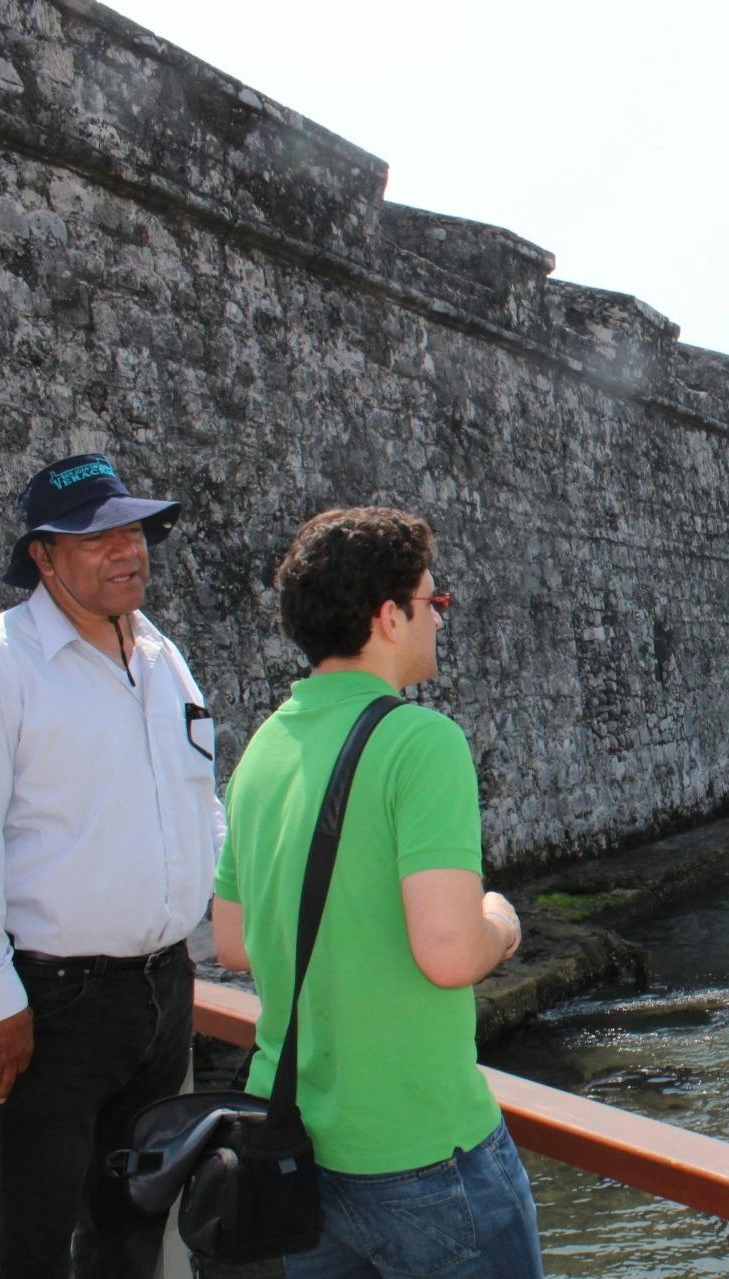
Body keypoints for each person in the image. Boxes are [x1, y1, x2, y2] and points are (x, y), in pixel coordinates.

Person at [210, 506, 540, 1277]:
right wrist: (503, 920)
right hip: (423, 1150)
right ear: (389, 616)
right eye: (435, 603)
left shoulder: (264, 744)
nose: (438, 619)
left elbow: (232, 941)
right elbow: (450, 950)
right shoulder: (420, 741)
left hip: (300, 1152)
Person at [0, 453, 221, 1276]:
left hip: (160, 990)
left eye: (134, 529)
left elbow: (196, 800)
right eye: (95, 536)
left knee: (132, 1232)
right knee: (24, 1243)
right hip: (47, 1005)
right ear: (41, 555)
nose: (126, 549)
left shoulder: (160, 656)